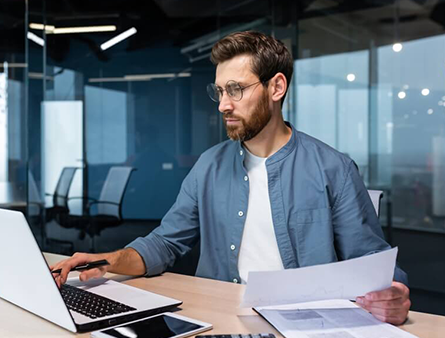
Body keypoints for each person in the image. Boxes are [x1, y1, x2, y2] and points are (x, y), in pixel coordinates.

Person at [51, 31, 411, 325]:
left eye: (236, 90)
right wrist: (104, 260)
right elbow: (165, 244)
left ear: (276, 88)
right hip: (218, 318)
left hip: (305, 325)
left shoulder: (333, 168)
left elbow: (373, 263)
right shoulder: (209, 166)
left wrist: (393, 292)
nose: (224, 104)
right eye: (220, 91)